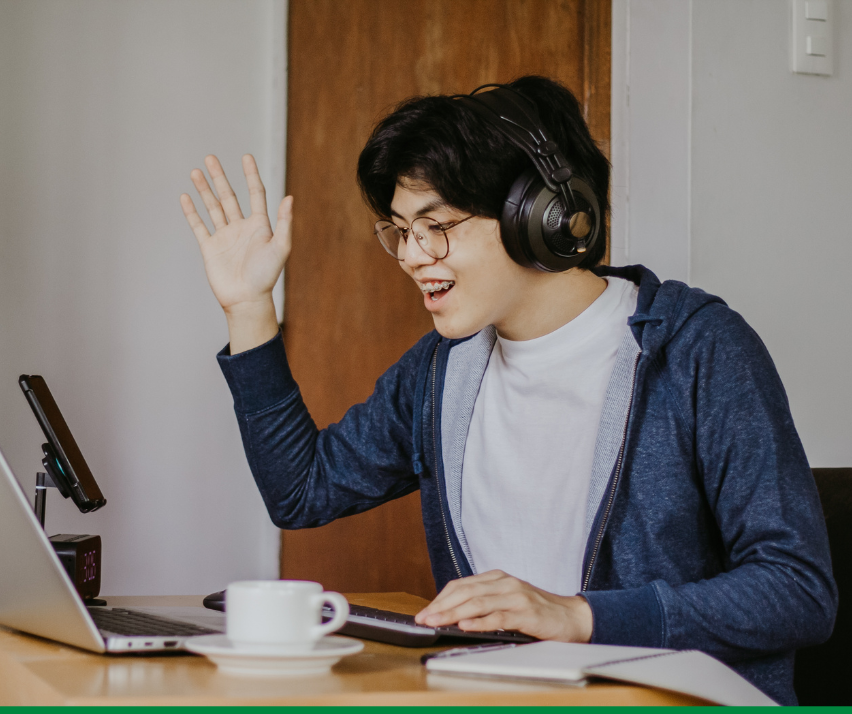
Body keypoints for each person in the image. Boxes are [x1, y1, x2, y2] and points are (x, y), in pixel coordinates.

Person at [179, 75, 836, 705]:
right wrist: (248, 308)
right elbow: (302, 491)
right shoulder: (442, 369)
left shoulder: (696, 348)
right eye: (401, 231)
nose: (411, 255)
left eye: (436, 225)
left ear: (538, 218)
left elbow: (797, 590)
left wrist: (577, 616)